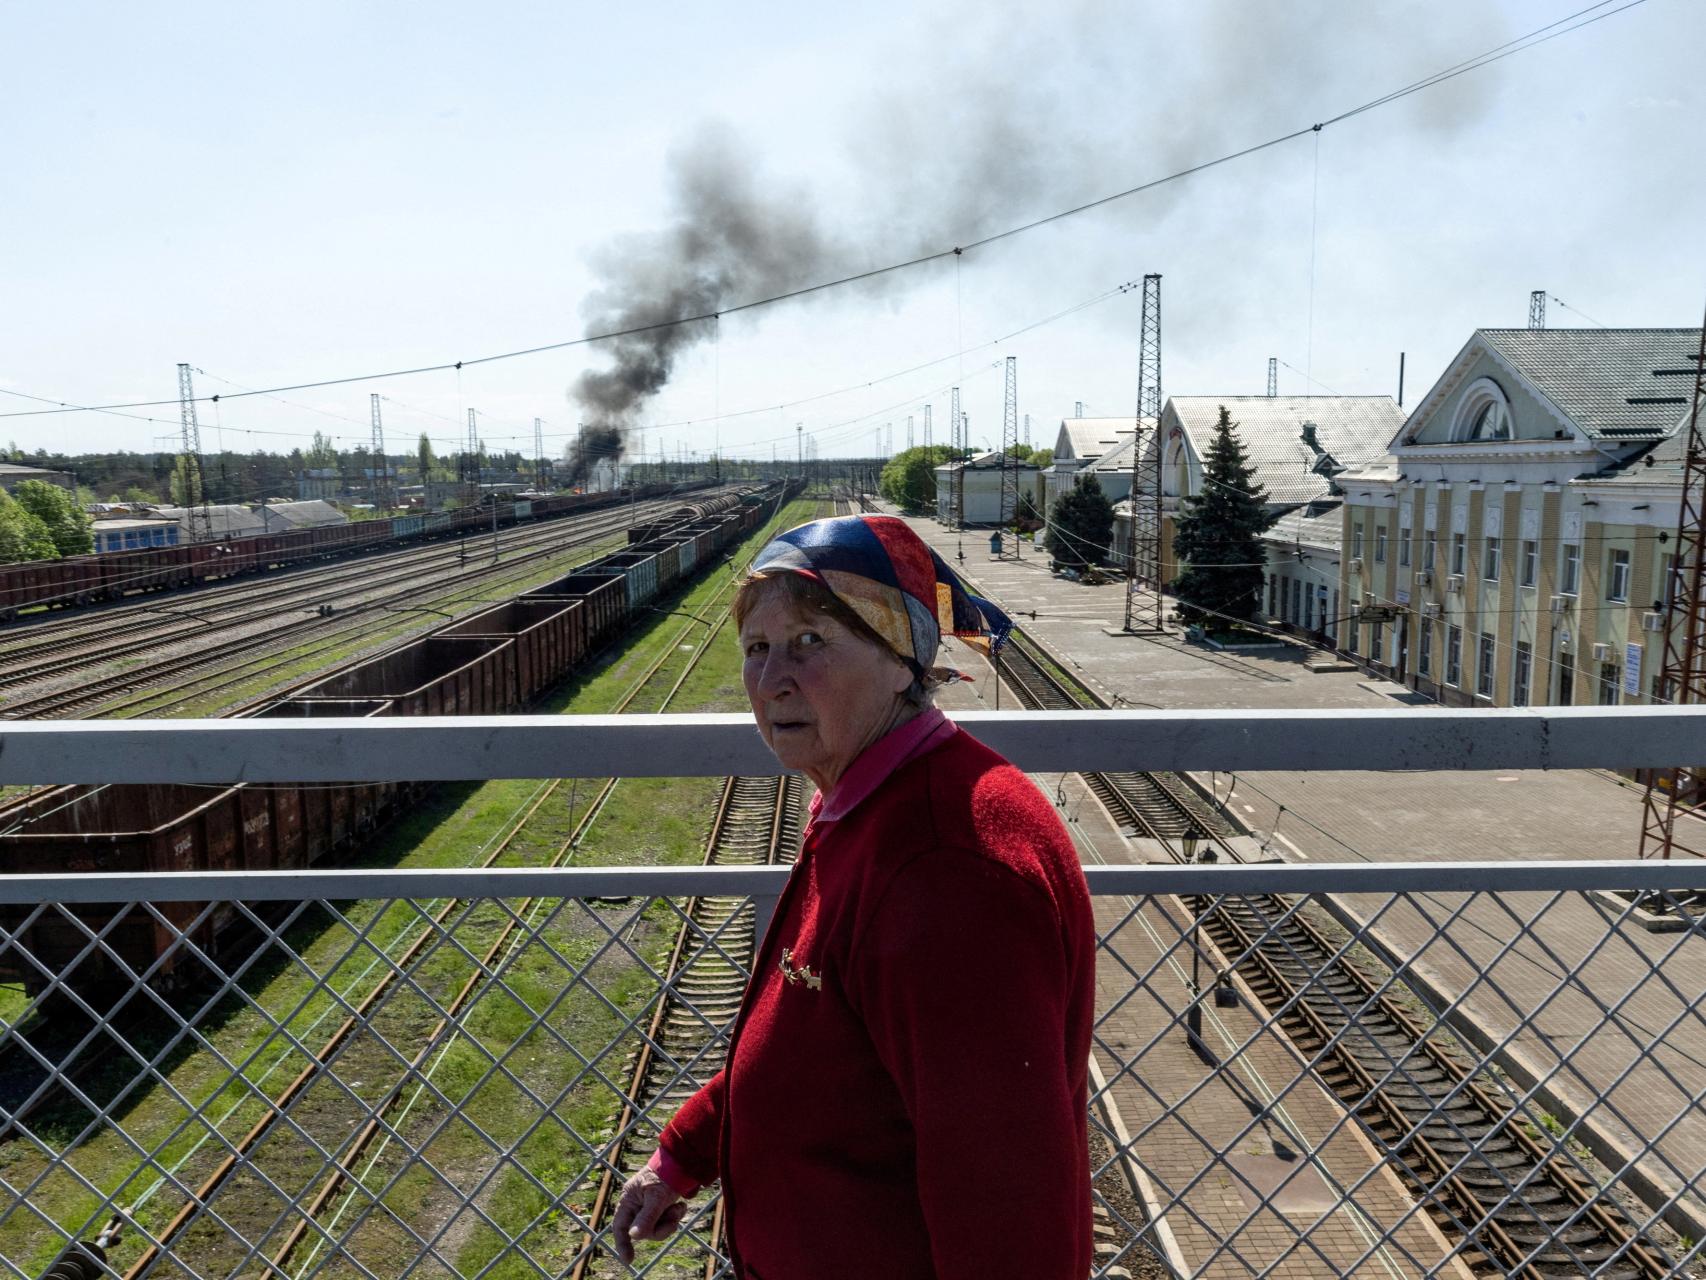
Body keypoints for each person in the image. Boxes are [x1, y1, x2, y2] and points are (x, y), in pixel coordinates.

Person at [611, 513, 1095, 1279]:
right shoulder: (871, 804)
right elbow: (817, 1043)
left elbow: (1006, 1205)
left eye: (810, 642)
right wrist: (684, 1156)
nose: (772, 681)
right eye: (757, 649)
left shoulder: (948, 871)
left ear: (904, 661)